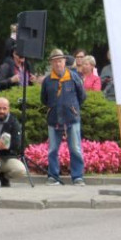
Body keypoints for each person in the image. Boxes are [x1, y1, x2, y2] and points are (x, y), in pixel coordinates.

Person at [41, 48, 87, 186]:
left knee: (75, 148)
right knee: (53, 149)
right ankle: (53, 176)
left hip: (72, 118)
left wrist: (72, 108)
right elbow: (44, 99)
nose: (58, 64)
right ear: (51, 64)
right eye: (55, 62)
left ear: (64, 61)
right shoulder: (47, 80)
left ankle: (78, 176)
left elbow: (82, 96)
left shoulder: (74, 77)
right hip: (53, 118)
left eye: (60, 61)